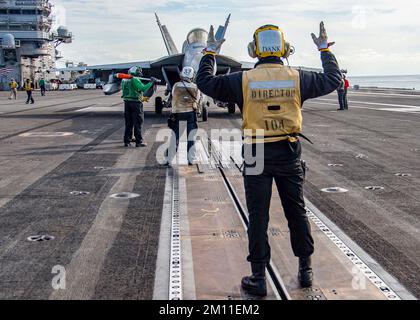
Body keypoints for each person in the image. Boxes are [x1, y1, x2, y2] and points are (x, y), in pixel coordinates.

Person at [196, 22, 342, 297]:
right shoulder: (298, 78)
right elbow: (333, 79)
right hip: (288, 151)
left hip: (256, 153)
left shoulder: (242, 79)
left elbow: (203, 82)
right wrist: (324, 49)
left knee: (258, 217)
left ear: (254, 51)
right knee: (296, 213)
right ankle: (305, 270)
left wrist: (210, 53)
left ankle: (258, 278)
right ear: (285, 49)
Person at [168, 67, 200, 165]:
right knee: (191, 137)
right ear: (192, 75)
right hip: (190, 114)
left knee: (175, 137)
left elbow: (173, 95)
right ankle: (191, 159)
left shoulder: (176, 86)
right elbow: (197, 99)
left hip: (178, 113)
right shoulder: (195, 87)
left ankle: (169, 159)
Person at [121, 66, 157, 147]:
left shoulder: (124, 79)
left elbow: (129, 90)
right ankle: (139, 141)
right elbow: (142, 88)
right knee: (138, 123)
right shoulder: (135, 79)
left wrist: (141, 97)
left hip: (127, 103)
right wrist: (151, 82)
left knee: (128, 123)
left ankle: (127, 140)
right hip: (136, 104)